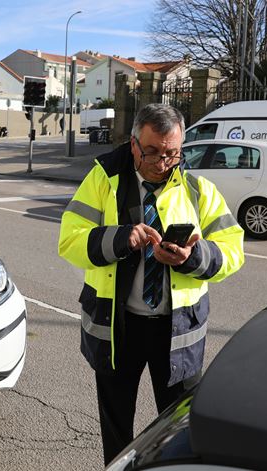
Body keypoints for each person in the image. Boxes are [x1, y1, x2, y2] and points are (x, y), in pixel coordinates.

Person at [58, 103, 245, 465]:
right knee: (116, 424)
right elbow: (69, 240)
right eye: (152, 152)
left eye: (172, 153)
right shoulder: (102, 181)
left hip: (177, 332)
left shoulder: (197, 188)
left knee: (178, 429)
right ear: (133, 145)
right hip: (118, 327)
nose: (162, 163)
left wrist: (191, 258)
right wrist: (121, 238)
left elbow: (233, 250)